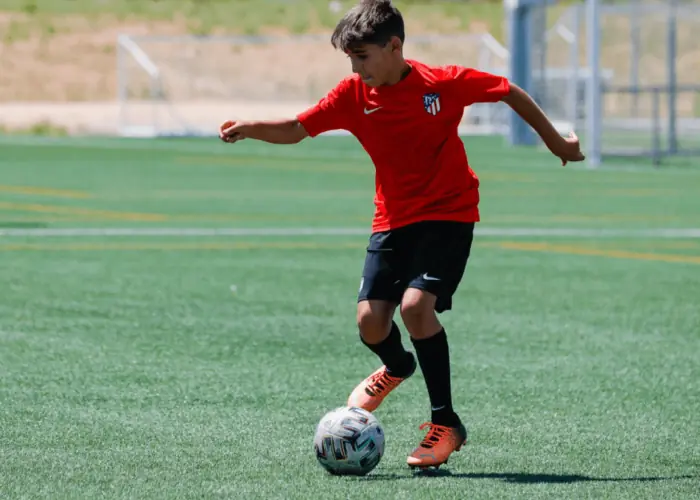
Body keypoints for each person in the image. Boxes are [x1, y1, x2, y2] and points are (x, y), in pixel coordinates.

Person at [219, 0, 585, 470]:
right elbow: (297, 128)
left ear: (395, 46)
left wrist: (556, 142)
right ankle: (396, 366)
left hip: (450, 213)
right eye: (350, 59)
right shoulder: (353, 95)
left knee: (416, 308)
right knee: (371, 323)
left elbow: (509, 91)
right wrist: (250, 128)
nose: (356, 67)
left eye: (363, 56)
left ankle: (445, 423)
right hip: (392, 219)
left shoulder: (442, 83)